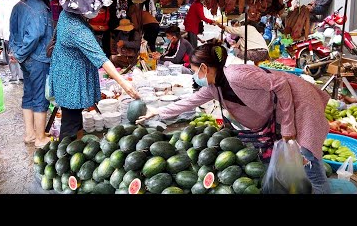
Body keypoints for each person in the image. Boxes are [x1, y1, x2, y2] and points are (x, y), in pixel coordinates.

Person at [137, 41, 331, 194]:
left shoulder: (237, 75)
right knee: (291, 158)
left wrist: (288, 126)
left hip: (302, 104)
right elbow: (192, 101)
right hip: (283, 108)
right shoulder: (215, 86)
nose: (195, 76)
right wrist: (159, 112)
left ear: (205, 68)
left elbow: (280, 83)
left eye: (195, 71)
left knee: (308, 160)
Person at [49, 0, 139, 140]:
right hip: (71, 80)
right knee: (71, 123)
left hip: (64, 72)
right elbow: (101, 59)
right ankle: (63, 157)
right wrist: (124, 83)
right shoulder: (76, 29)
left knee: (74, 120)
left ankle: (74, 149)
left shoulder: (66, 14)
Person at [9, 0, 65, 148]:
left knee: (29, 94)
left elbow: (13, 33)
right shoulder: (40, 9)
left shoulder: (20, 5)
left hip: (26, 59)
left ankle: (30, 134)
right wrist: (21, 53)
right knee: (40, 97)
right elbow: (34, 36)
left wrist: (18, 54)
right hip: (38, 58)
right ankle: (40, 137)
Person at [0, 0, 25, 82]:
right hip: (20, 33)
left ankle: (13, 76)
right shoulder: (22, 2)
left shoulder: (3, 3)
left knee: (10, 54)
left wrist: (0, 35)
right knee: (20, 54)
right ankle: (21, 75)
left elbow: (0, 20)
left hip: (6, 33)